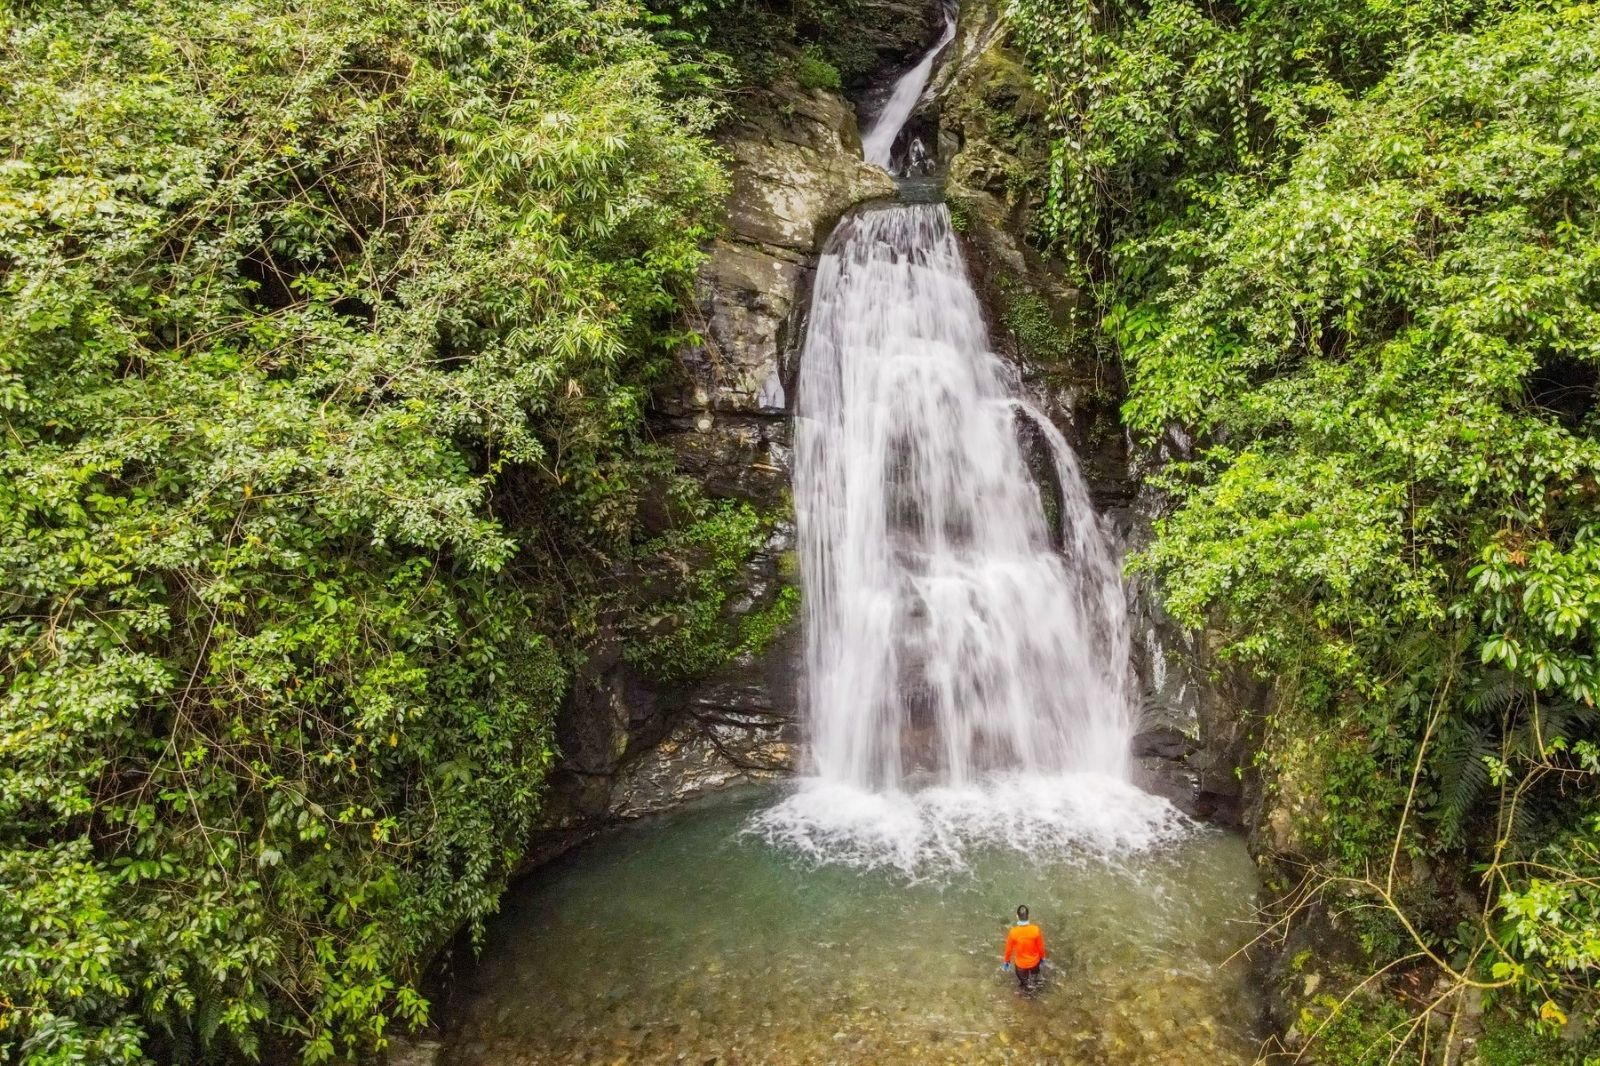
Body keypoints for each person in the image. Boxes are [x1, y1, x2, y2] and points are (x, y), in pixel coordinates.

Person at [1001, 904, 1046, 994]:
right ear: (1028, 916)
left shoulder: (1013, 932)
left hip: (1021, 965)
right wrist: (1042, 958)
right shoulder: (1035, 930)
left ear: (1017, 916)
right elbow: (1040, 947)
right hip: (1034, 962)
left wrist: (1006, 961)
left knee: (1024, 984)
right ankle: (1037, 992)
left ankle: (1026, 996)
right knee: (1035, 979)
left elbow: (1008, 950)